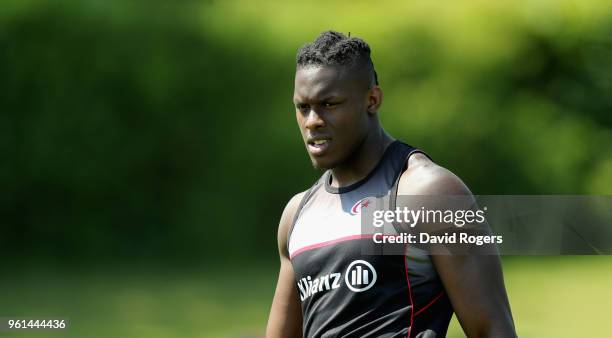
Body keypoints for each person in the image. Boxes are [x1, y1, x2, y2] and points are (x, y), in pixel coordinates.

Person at [266, 30, 516, 338]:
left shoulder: (429, 192)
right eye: (303, 107)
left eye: (329, 104)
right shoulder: (296, 216)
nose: (312, 121)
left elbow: (492, 329)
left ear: (372, 99)